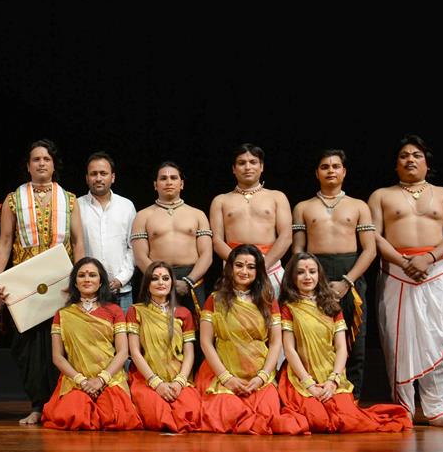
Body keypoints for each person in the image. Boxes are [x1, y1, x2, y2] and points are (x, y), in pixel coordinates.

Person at [369, 136, 443, 429]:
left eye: (416, 155)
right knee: (398, 344)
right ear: (395, 164)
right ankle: (404, 410)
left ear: (427, 162)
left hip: (434, 273)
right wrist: (404, 262)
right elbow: (374, 235)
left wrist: (429, 258)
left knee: (438, 337)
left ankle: (436, 410)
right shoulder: (381, 195)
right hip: (397, 273)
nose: (410, 160)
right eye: (403, 156)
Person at [0, 140, 86, 425]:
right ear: (28, 165)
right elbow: (6, 241)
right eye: (36, 159)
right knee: (28, 347)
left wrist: (80, 280)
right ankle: (37, 405)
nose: (41, 163)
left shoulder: (69, 200)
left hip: (62, 283)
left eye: (46, 159)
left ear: (54, 164)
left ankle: (58, 404)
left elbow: (78, 241)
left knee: (61, 342)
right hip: (26, 285)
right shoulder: (13, 199)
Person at [277, 253, 411, 433]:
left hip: (330, 374)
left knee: (347, 420)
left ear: (320, 275)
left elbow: (341, 348)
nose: (307, 277)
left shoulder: (331, 306)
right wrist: (308, 383)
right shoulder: (288, 307)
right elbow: (289, 350)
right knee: (317, 420)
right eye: (300, 272)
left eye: (312, 271)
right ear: (292, 277)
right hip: (300, 377)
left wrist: (333, 380)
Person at [290, 150, 377, 393]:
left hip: (351, 273)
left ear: (344, 171)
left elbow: (369, 250)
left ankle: (353, 397)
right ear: (316, 173)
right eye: (325, 167)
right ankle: (316, 391)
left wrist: (348, 281)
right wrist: (311, 280)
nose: (331, 171)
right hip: (314, 274)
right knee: (317, 338)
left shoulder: (359, 206)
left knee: (355, 339)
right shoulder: (303, 207)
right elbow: (298, 250)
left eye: (336, 166)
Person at [196, 245, 308, 435]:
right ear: (230, 268)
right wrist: (227, 378)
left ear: (258, 271)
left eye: (250, 267)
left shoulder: (267, 300)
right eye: (239, 265)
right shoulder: (215, 300)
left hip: (259, 377)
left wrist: (262, 376)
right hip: (222, 375)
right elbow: (206, 343)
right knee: (225, 414)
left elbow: (275, 343)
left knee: (266, 414)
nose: (244, 271)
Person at [41, 257, 142, 431]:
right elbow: (57, 357)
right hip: (76, 380)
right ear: (75, 282)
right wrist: (82, 381)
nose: (87, 279)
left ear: (101, 280)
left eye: (92, 275)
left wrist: (101, 379)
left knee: (118, 418)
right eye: (81, 275)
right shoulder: (63, 314)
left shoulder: (114, 311)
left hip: (109, 378)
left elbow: (123, 352)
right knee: (73, 416)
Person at [126, 262, 203, 433]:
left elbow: (189, 353)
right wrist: (156, 383)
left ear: (171, 283)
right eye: (155, 278)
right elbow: (135, 351)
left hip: (178, 377)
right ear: (147, 284)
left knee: (191, 414)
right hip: (146, 378)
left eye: (165, 278)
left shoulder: (184, 313)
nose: (161, 282)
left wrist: (180, 381)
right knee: (158, 417)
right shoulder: (136, 311)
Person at [130, 161, 213, 316]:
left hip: (192, 279)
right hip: (155, 278)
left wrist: (188, 281)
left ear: (181, 184)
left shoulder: (197, 214)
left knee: (196, 331)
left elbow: (207, 255)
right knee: (155, 330)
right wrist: (162, 279)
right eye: (163, 178)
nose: (168, 182)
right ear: (155, 185)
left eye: (173, 178)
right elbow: (140, 257)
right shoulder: (143, 216)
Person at [210, 144, 292, 296]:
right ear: (234, 169)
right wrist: (239, 265)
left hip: (270, 266)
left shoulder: (277, 197)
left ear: (261, 167)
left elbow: (286, 237)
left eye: (253, 162)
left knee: (275, 317)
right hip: (234, 268)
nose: (247, 167)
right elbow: (216, 241)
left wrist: (262, 266)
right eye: (241, 163)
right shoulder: (220, 200)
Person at [76, 152, 137, 311]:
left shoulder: (126, 206)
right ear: (87, 178)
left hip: (121, 291)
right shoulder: (76, 206)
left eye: (103, 173)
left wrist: (121, 279)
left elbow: (133, 247)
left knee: (123, 335)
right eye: (93, 174)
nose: (98, 178)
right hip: (87, 293)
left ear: (113, 177)